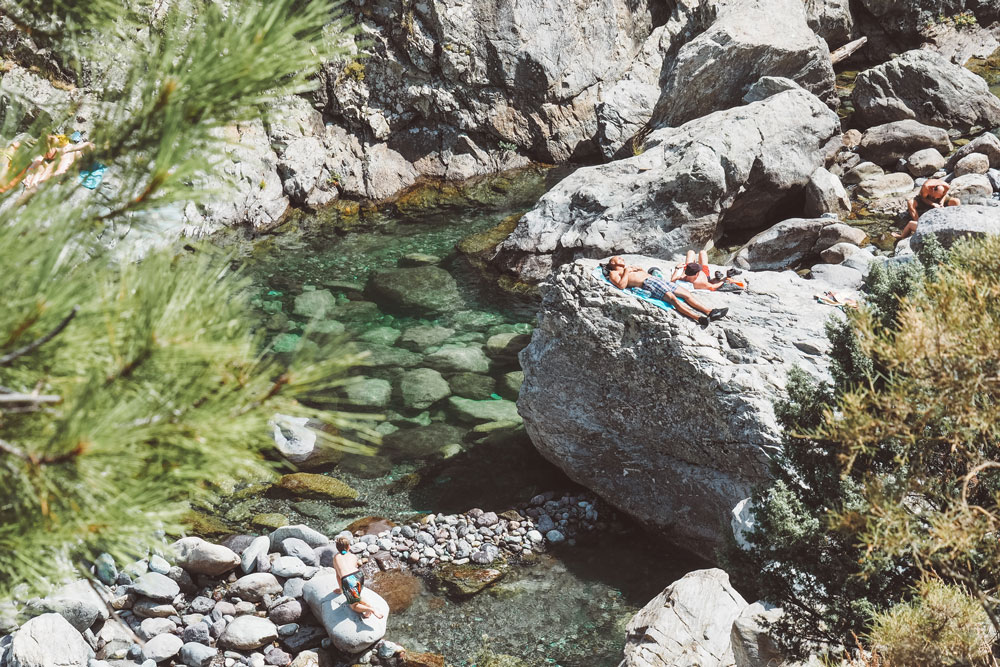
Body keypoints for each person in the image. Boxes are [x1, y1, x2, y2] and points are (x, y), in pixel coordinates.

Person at [605, 256, 728, 326]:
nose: (622, 259)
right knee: (673, 299)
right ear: (612, 262)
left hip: (655, 279)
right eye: (618, 258)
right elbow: (621, 286)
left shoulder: (629, 267)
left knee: (686, 294)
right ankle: (698, 318)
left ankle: (710, 311)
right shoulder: (614, 273)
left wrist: (640, 269)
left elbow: (643, 273)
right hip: (649, 284)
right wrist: (627, 271)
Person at [331, 536, 384, 620]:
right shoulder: (353, 556)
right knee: (357, 596)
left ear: (337, 548)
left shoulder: (336, 558)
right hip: (359, 576)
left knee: (353, 606)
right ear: (349, 547)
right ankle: (368, 610)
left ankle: (370, 609)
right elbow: (354, 567)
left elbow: (338, 575)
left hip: (348, 579)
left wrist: (341, 589)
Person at [894, 178, 960, 240]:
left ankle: (957, 220)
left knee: (956, 201)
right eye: (934, 196)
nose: (935, 198)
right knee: (910, 202)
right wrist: (933, 204)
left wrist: (941, 202)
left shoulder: (946, 186)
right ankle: (918, 223)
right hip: (925, 200)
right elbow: (923, 198)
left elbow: (944, 195)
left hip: (938, 202)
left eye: (938, 196)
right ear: (933, 189)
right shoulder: (926, 187)